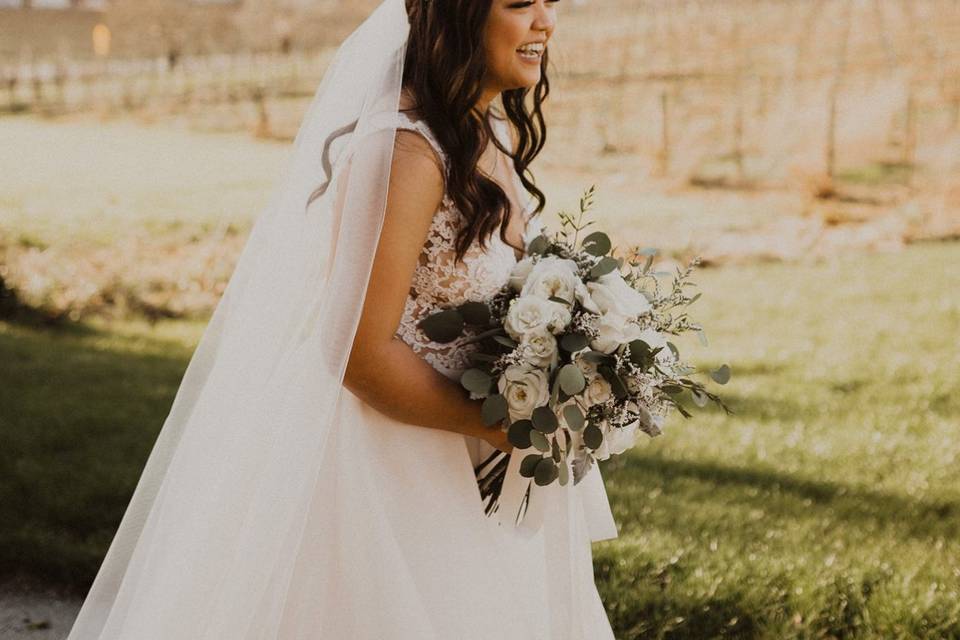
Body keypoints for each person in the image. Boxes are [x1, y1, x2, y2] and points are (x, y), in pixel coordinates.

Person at [65, 1, 618, 638]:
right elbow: (355, 350)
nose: (545, 21)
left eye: (551, 2)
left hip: (463, 460)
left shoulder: (484, 134)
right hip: (384, 468)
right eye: (521, 3)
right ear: (456, 14)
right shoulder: (408, 152)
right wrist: (508, 427)